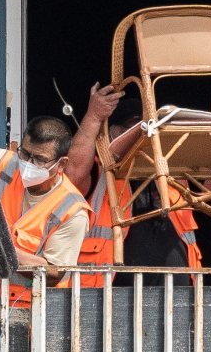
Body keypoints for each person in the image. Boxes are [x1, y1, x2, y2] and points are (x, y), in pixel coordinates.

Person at [63, 82, 202, 283]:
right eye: (132, 130)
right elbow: (72, 175)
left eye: (146, 132)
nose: (141, 139)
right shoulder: (99, 173)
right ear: (111, 135)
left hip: (176, 299)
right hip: (112, 299)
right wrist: (93, 117)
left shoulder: (171, 172)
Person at [0, 116, 89, 306]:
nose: (28, 164)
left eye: (40, 159)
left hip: (35, 320)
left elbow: (54, 273)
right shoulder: (3, 162)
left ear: (62, 164)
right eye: (25, 154)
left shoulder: (73, 211)